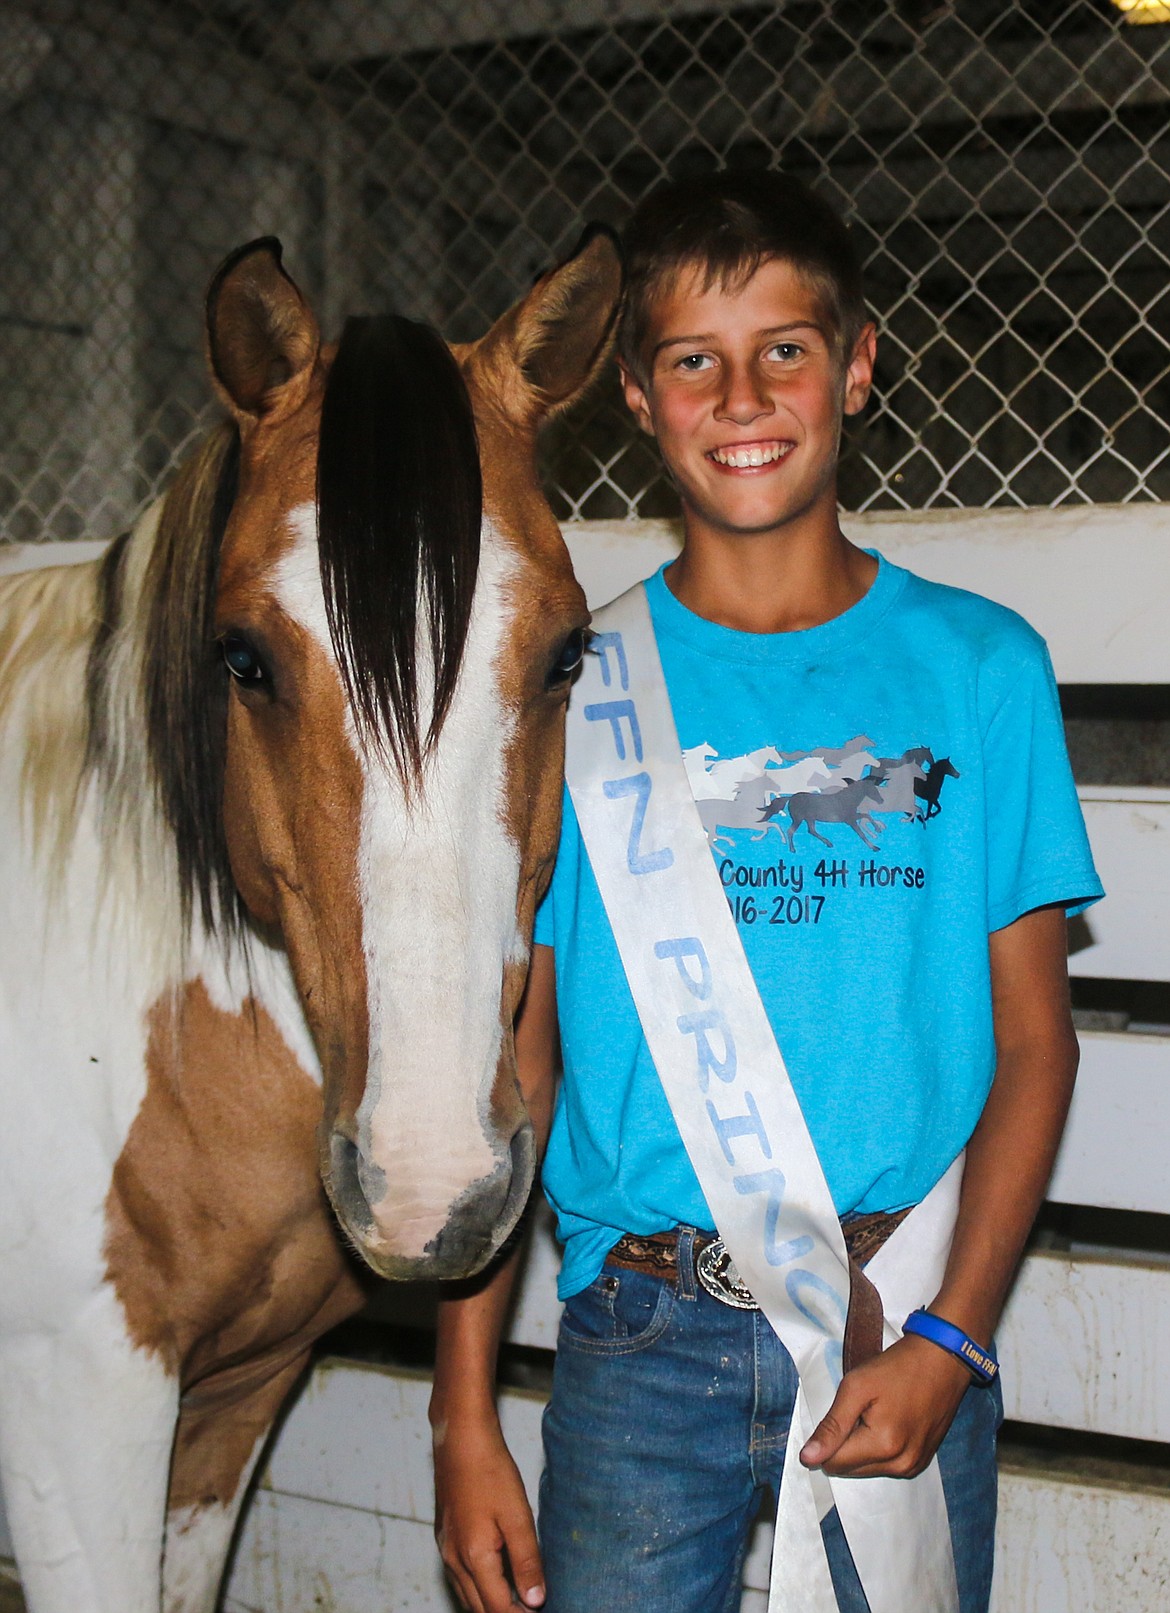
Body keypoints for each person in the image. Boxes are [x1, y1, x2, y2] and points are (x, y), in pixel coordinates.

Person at [429, 168, 1102, 1613]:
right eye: (693, 362)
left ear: (855, 365)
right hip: (635, 1335)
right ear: (636, 394)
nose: (741, 396)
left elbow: (1035, 1042)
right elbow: (521, 1068)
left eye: (782, 350)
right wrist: (461, 1411)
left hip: (896, 1317)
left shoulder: (981, 668)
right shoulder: (573, 693)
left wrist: (953, 1336)